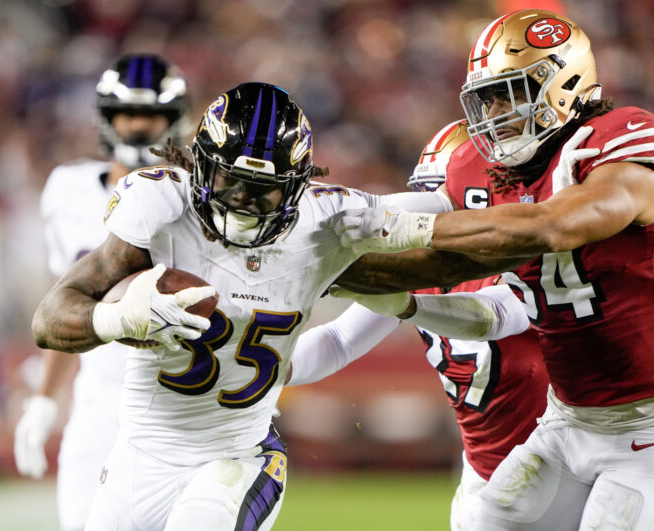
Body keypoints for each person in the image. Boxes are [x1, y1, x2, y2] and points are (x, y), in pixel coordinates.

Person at [329, 10, 654, 530]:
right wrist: (326, 268)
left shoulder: (622, 142)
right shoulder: (494, 174)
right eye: (486, 99)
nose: (493, 113)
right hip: (565, 422)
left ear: (561, 84)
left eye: (507, 94)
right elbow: (448, 261)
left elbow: (553, 226)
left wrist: (402, 231)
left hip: (650, 424)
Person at [30, 81, 458, 531]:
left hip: (236, 457)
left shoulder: (321, 225)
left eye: (263, 190)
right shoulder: (162, 208)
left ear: (296, 189)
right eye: (229, 180)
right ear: (200, 166)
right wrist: (119, 317)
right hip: (140, 456)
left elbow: (446, 221)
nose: (241, 201)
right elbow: (49, 320)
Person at [286, 119, 548, 531]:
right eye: (424, 195)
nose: (430, 208)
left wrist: (409, 306)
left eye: (444, 197)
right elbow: (338, 340)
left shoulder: (531, 256)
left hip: (562, 459)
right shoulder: (420, 272)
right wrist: (262, 365)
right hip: (483, 472)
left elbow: (493, 317)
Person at [14, 53, 190, 531]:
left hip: (177, 401)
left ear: (173, 120)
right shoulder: (66, 190)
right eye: (126, 114)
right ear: (105, 118)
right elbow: (62, 307)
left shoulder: (193, 200)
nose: (137, 127)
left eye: (150, 114)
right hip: (98, 401)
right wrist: (46, 398)